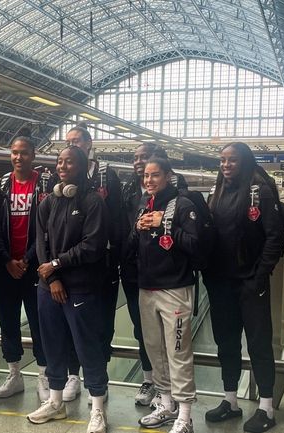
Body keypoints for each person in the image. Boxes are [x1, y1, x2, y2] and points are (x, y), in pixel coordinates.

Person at [202, 142, 284, 432]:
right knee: (227, 344)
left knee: (259, 344)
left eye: (232, 160)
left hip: (250, 282)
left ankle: (266, 408)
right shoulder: (217, 192)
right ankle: (230, 401)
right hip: (221, 282)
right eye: (222, 160)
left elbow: (275, 237)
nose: (226, 165)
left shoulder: (259, 191)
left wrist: (259, 276)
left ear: (245, 162)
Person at [27, 145, 109, 433]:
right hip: (50, 287)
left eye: (69, 162)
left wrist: (57, 265)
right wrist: (52, 278)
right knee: (53, 346)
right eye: (60, 162)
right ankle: (56, 402)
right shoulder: (49, 201)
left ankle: (98, 409)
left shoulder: (92, 202)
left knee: (88, 349)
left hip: (81, 288)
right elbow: (40, 243)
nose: (62, 166)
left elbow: (93, 246)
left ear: (82, 166)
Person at [134, 158, 200, 433]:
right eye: (146, 176)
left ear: (168, 176)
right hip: (147, 288)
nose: (149, 181)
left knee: (178, 352)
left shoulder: (183, 205)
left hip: (174, 289)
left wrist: (165, 225)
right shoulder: (143, 204)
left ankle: (185, 415)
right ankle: (166, 404)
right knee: (155, 350)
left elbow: (195, 245)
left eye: (155, 175)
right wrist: (137, 228)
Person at [64, 123, 122, 403]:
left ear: (89, 144)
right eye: (68, 142)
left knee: (102, 322)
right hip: (73, 264)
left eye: (77, 141)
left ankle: (98, 378)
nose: (73, 145)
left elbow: (117, 216)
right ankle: (73, 375)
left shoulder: (105, 176)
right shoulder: (61, 179)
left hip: (102, 262)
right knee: (73, 324)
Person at [0, 132, 50, 400]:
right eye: (14, 152)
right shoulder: (2, 187)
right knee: (8, 322)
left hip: (34, 267)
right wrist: (6, 260)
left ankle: (43, 375)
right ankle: (14, 374)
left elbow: (47, 229)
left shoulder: (44, 187)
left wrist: (26, 259)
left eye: (24, 152)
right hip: (6, 268)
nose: (18, 157)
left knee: (39, 324)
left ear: (33, 155)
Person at [120, 143, 162, 406]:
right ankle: (149, 379)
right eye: (135, 158)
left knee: (162, 330)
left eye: (144, 158)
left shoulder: (171, 193)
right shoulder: (128, 190)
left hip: (160, 273)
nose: (138, 163)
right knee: (140, 328)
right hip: (132, 270)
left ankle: (164, 383)